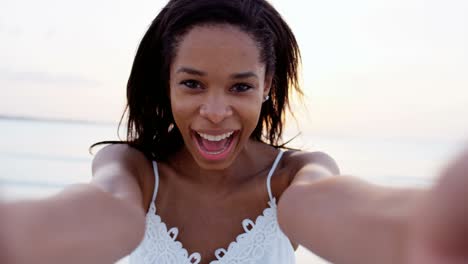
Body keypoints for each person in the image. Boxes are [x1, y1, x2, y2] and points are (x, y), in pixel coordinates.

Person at [1, 0, 467, 263]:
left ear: (266, 86)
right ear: (166, 85)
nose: (216, 110)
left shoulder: (295, 178)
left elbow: (335, 207)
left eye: (240, 86)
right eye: (192, 84)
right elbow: (105, 213)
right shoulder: (133, 170)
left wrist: (426, 229)